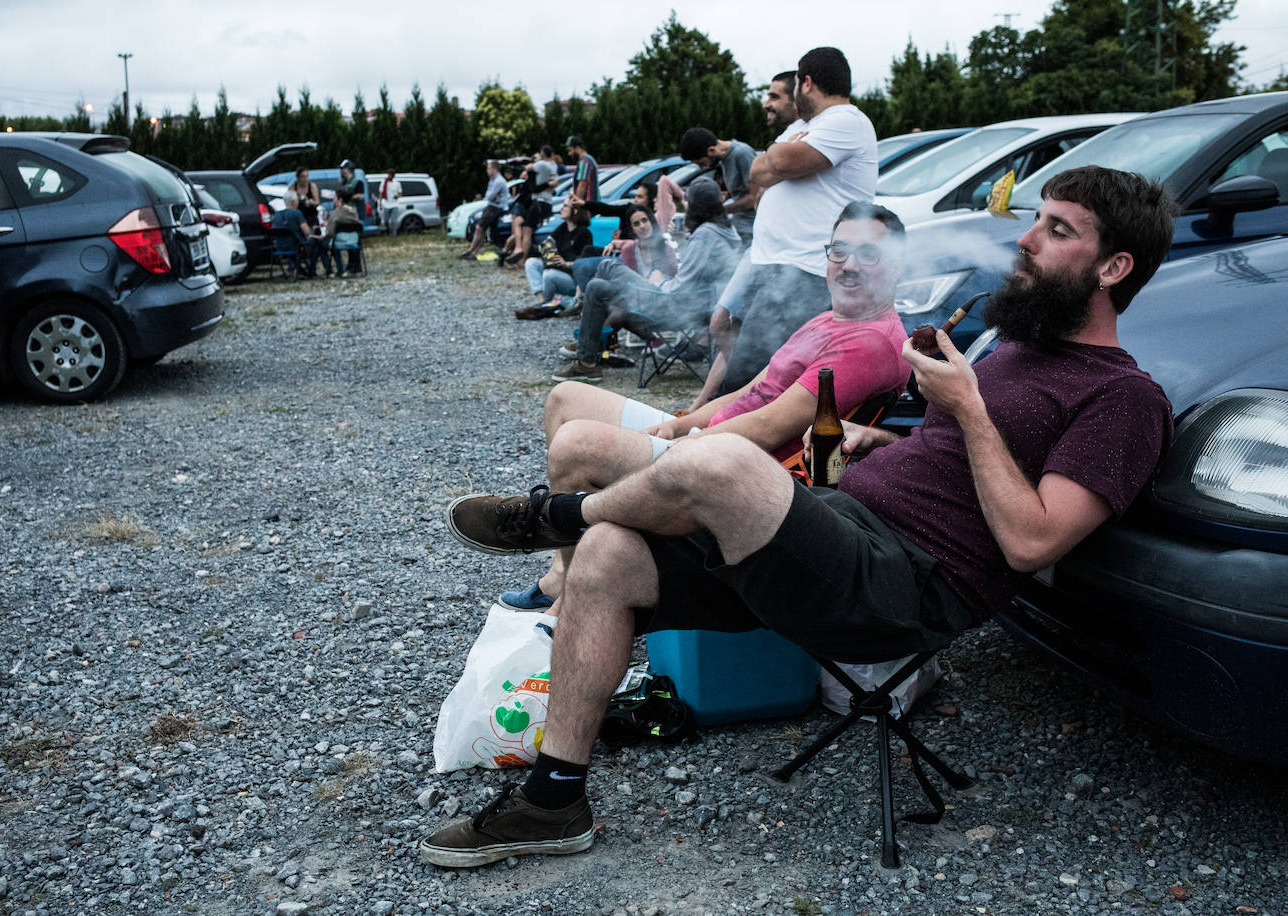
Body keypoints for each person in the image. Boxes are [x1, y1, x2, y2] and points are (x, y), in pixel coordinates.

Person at [421, 166, 1179, 868]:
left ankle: (554, 514)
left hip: (905, 585)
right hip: (840, 522)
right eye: (1036, 219)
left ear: (1114, 268)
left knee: (727, 463)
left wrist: (969, 409)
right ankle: (554, 800)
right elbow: (960, 459)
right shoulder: (1018, 350)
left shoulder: (1125, 400)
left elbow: (1032, 540)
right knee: (609, 554)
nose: (1025, 237)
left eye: (1056, 230)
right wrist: (887, 436)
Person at [501, 201, 912, 611]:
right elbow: (753, 387)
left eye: (868, 254)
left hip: (743, 472)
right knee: (567, 398)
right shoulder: (831, 319)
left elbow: (771, 426)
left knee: (577, 445)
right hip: (712, 439)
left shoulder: (869, 342)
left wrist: (685, 447)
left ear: (896, 264)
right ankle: (565, 574)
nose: (848, 265)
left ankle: (575, 597)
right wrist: (681, 425)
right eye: (838, 251)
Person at [721, 47, 878, 394]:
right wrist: (776, 158)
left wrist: (777, 155)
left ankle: (724, 442)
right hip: (781, 268)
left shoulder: (846, 120)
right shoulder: (807, 126)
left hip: (804, 271)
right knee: (755, 376)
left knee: (753, 380)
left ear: (806, 83)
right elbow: (758, 170)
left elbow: (780, 162)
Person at [552, 177, 739, 383]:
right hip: (690, 305)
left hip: (676, 308)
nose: (684, 205)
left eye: (688, 201)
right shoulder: (727, 231)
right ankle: (586, 362)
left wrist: (658, 282)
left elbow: (679, 287)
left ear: (696, 206)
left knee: (607, 266)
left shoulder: (704, 236)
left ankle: (588, 337)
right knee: (597, 286)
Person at [679, 127, 758, 244]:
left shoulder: (742, 154)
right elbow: (739, 191)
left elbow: (754, 198)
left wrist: (719, 211)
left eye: (702, 163)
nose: (703, 168)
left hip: (752, 228)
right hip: (740, 225)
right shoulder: (724, 158)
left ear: (711, 150)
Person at [519, 198, 592, 316]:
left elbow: (585, 263)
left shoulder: (584, 233)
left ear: (575, 211)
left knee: (549, 274)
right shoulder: (562, 228)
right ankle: (542, 302)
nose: (561, 209)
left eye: (565, 206)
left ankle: (547, 304)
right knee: (531, 263)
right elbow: (547, 246)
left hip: (572, 279)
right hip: (557, 269)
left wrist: (566, 263)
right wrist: (548, 253)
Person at [507, 147, 561, 265]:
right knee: (519, 224)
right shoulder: (554, 166)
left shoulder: (541, 165)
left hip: (538, 203)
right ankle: (513, 250)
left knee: (526, 231)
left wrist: (527, 171)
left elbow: (529, 175)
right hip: (544, 203)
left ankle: (521, 257)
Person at [460, 161, 512, 260]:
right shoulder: (492, 180)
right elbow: (489, 195)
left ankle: (471, 251)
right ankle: (473, 252)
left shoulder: (499, 181)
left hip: (495, 208)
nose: (487, 171)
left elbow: (489, 195)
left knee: (479, 228)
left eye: (488, 168)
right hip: (491, 206)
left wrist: (490, 196)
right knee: (482, 229)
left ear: (494, 169)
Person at [273, 190, 331, 278]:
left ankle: (295, 268)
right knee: (319, 244)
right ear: (293, 202)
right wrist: (313, 231)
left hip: (279, 246)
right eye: (297, 200)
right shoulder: (297, 213)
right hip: (296, 246)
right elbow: (307, 232)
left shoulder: (277, 215)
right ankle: (316, 270)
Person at [326, 188, 364, 277]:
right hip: (354, 241)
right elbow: (358, 225)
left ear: (340, 200)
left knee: (326, 244)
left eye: (334, 197)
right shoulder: (354, 211)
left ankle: (340, 268)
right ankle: (356, 268)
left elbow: (330, 231)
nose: (333, 200)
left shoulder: (336, 213)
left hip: (339, 242)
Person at [566, 136, 599, 203]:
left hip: (587, 206)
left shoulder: (585, 162)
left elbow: (582, 185)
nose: (569, 154)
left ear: (577, 148)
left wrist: (576, 204)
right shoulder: (589, 159)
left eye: (570, 150)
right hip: (591, 204)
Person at [379, 169, 403, 237]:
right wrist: (380, 203)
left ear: (393, 175)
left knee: (393, 221)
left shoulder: (397, 183)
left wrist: (397, 196)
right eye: (388, 174)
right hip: (386, 204)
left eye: (390, 174)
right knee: (386, 221)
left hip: (394, 204)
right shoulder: (384, 182)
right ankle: (388, 231)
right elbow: (380, 192)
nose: (388, 176)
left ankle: (393, 234)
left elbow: (400, 193)